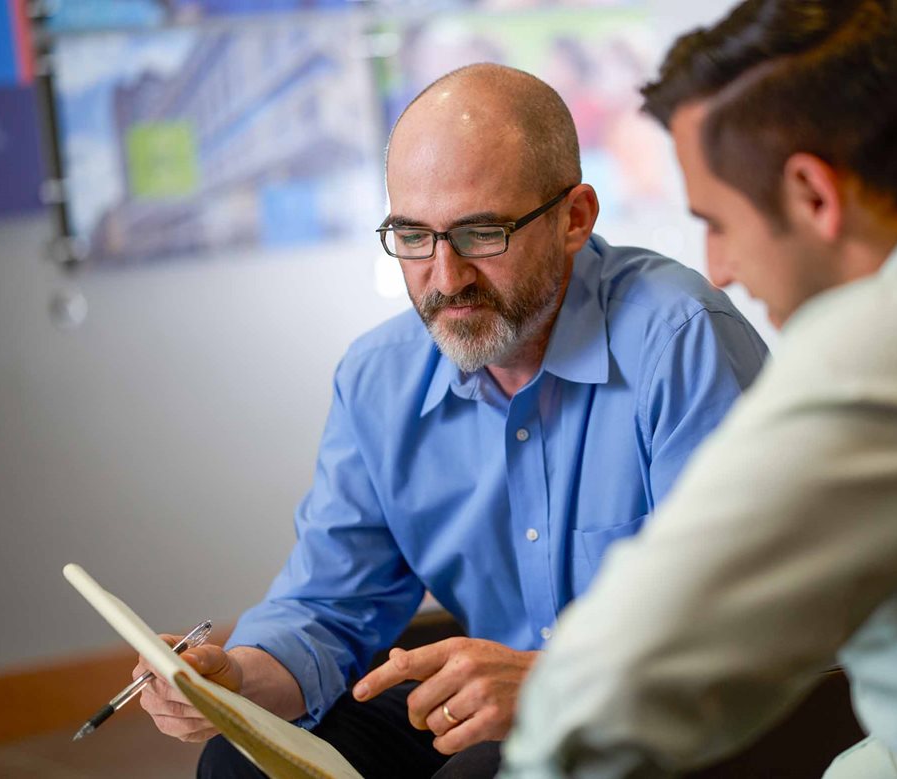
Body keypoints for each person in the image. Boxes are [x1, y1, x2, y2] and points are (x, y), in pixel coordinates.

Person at [134, 63, 768, 779]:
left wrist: (554, 678)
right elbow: (329, 607)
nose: (444, 276)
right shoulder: (379, 379)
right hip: (489, 720)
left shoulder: (681, 339)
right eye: (412, 235)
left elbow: (750, 611)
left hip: (663, 718)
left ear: (575, 218)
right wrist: (234, 682)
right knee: (239, 764)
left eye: (481, 232)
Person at [499, 1, 897, 777]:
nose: (719, 268)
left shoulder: (891, 342)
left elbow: (617, 681)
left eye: (719, 222)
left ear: (813, 195)